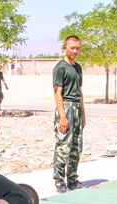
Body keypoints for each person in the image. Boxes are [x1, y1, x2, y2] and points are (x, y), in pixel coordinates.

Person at [52, 35, 86, 194]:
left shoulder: (78, 68)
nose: (75, 51)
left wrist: (83, 113)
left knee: (76, 147)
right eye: (72, 48)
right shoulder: (60, 67)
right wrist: (62, 116)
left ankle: (72, 179)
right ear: (65, 48)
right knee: (63, 146)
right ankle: (59, 181)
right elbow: (57, 93)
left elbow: (79, 91)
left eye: (77, 48)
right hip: (65, 107)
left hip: (77, 109)